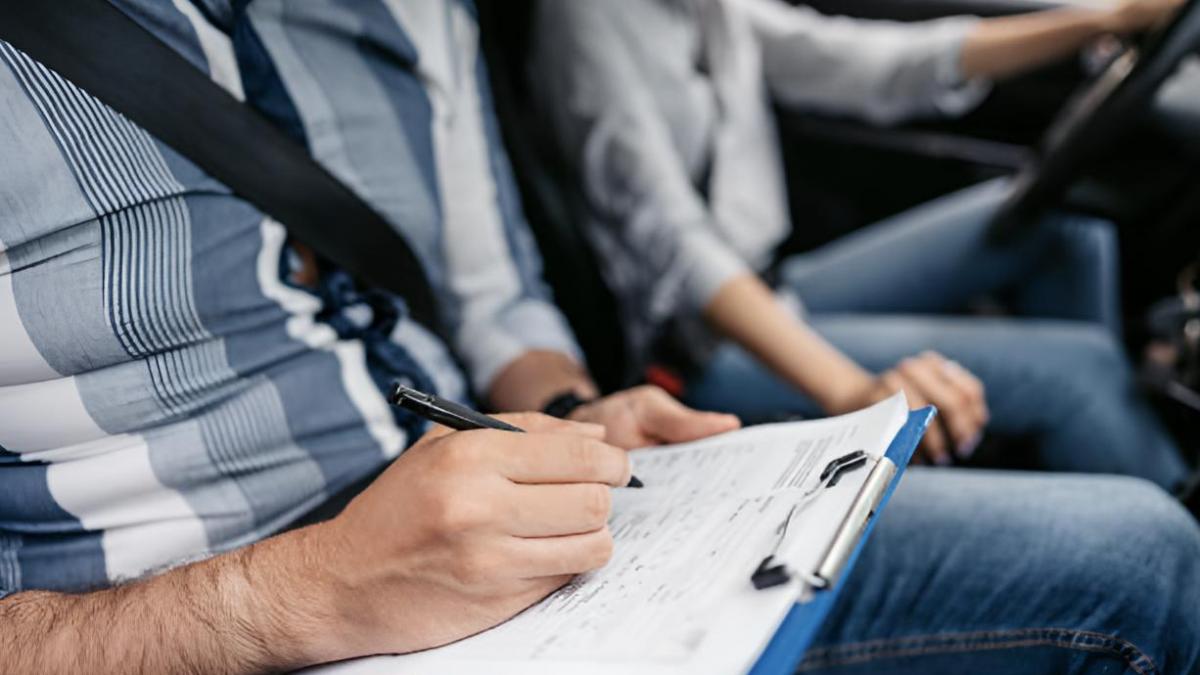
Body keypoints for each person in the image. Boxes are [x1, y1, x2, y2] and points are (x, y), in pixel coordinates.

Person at [0, 2, 1198, 674]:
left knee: (1139, 548)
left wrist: (570, 408)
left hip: (516, 510)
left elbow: (497, 301)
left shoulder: (424, 15)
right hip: (208, 619)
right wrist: (286, 597)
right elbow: (670, 250)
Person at [527, 0, 1194, 488]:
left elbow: (874, 65)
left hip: (778, 278)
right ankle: (1155, 511)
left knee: (1064, 226)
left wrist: (1100, 18)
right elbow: (676, 246)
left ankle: (1073, 470)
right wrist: (853, 389)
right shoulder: (585, 22)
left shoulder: (710, 9)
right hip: (702, 342)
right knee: (1083, 373)